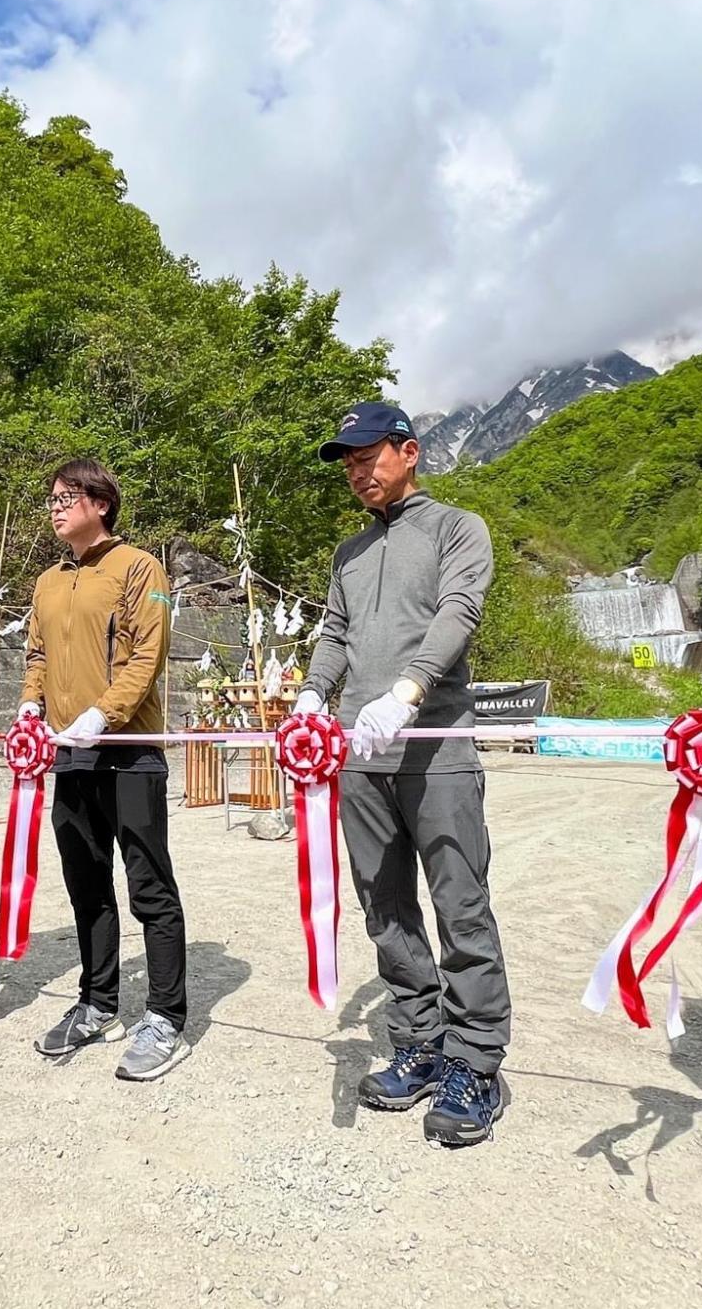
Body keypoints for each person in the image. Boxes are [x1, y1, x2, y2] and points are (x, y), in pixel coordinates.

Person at [298, 401, 511, 1147]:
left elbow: (460, 612)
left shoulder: (459, 528)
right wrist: (311, 693)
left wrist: (409, 688)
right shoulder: (349, 553)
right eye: (349, 463)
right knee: (384, 907)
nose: (358, 472)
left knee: (461, 907)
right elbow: (336, 633)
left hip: (436, 748)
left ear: (410, 451)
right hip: (362, 756)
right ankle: (418, 1045)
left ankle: (477, 1062)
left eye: (369, 456)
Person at [21, 459, 188, 1081]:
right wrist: (29, 704)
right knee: (86, 884)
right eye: (53, 498)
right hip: (70, 754)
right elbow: (37, 652)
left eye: (69, 497)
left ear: (102, 503)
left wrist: (104, 713)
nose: (57, 507)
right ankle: (96, 1001)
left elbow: (150, 653)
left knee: (149, 887)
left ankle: (167, 1014)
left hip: (131, 750)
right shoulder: (47, 580)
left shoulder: (139, 567)